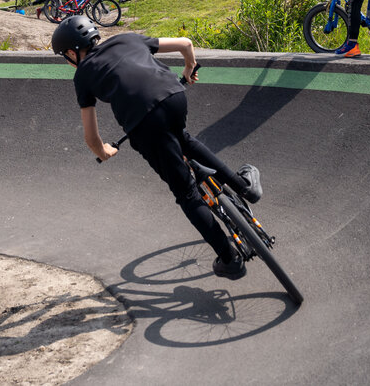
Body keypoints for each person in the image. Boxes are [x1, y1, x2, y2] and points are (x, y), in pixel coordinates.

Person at [52, 15, 263, 279]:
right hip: (174, 97)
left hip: (143, 124)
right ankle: (245, 188)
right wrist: (189, 68)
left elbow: (91, 137)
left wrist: (104, 152)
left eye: (66, 56)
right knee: (183, 138)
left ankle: (229, 258)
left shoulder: (82, 74)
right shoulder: (126, 38)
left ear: (72, 52)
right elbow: (186, 44)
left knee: (186, 193)